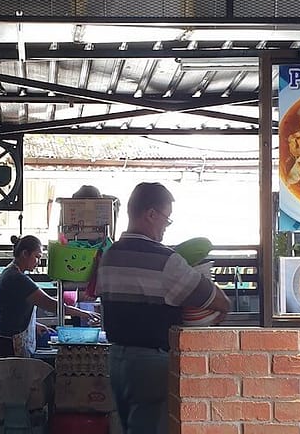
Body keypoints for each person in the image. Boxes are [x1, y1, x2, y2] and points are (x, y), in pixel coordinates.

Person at [96, 182, 230, 434]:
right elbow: (216, 299)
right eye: (166, 220)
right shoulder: (165, 260)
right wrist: (219, 306)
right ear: (150, 214)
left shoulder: (109, 255)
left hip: (116, 360)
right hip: (151, 364)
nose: (165, 228)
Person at [0, 234, 100, 359]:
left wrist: (34, 325)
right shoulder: (17, 278)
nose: (39, 262)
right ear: (25, 254)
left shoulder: (11, 273)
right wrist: (84, 313)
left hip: (4, 340)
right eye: (37, 257)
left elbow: (12, 310)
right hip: (6, 344)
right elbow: (52, 305)